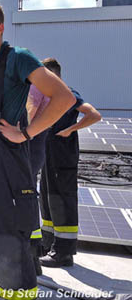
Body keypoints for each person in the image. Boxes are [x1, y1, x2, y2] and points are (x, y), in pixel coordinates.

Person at [0, 0, 75, 300]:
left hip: (7, 158)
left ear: (0, 28)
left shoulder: (18, 58)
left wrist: (26, 132)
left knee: (10, 234)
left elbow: (64, 97)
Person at [39, 58, 101, 267]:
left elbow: (93, 115)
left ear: (54, 75)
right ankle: (48, 244)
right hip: (47, 156)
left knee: (62, 201)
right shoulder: (48, 96)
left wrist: (70, 130)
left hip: (63, 157)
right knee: (47, 200)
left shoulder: (69, 94)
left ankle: (64, 253)